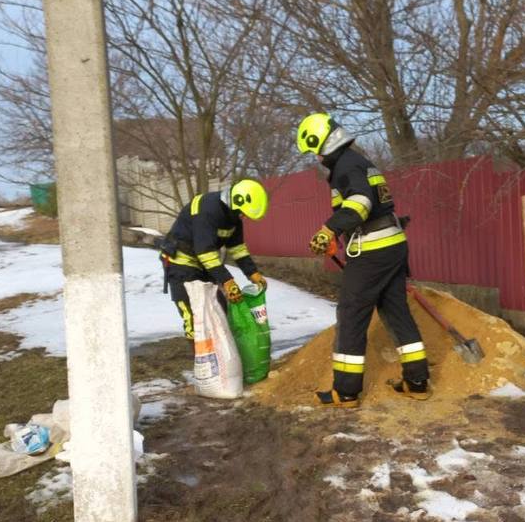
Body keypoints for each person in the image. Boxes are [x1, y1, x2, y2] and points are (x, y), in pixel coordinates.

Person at [297, 113, 429, 407]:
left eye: (314, 151)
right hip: (392, 245)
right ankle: (417, 381)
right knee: (396, 312)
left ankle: (345, 391)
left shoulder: (346, 165)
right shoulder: (361, 162)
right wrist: (337, 238)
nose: (316, 158)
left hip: (372, 250)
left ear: (324, 144)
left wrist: (329, 229)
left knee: (351, 316)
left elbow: (361, 203)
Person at [160, 179, 269, 340]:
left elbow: (237, 248)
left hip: (204, 264)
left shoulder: (234, 217)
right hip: (180, 263)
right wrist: (227, 280)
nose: (244, 217)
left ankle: (226, 361)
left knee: (220, 310)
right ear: (237, 202)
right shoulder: (207, 209)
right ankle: (204, 361)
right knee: (195, 320)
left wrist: (252, 273)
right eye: (244, 213)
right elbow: (205, 252)